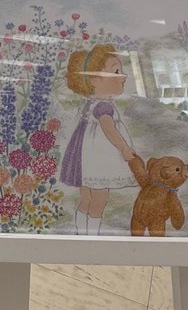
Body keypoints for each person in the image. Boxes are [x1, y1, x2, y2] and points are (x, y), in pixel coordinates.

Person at [59, 43, 138, 235]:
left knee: (86, 197)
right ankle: (93, 235)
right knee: (100, 198)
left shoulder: (91, 103)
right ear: (94, 80)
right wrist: (124, 147)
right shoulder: (104, 107)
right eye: (116, 71)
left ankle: (82, 233)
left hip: (86, 159)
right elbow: (109, 130)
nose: (123, 76)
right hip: (98, 159)